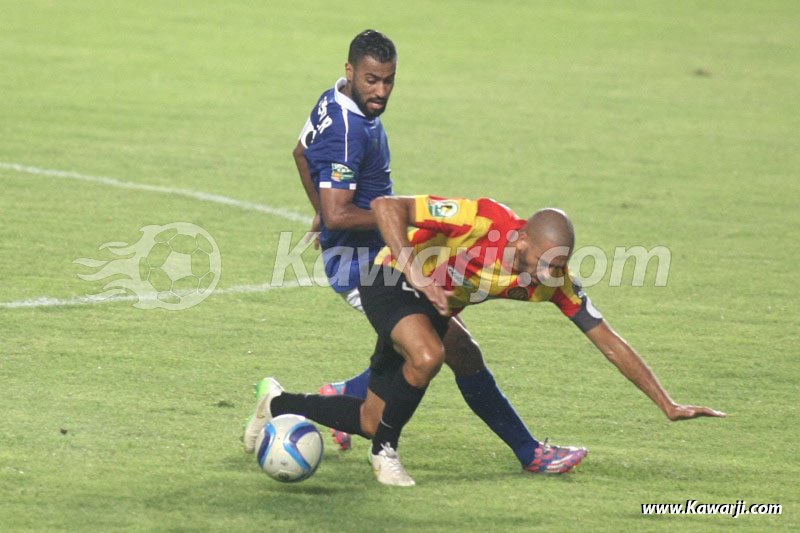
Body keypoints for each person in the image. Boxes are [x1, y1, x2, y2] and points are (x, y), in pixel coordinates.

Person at [246, 194, 726, 486]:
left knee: (382, 412)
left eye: (559, 265)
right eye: (545, 262)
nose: (551, 274)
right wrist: (418, 272)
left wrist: (666, 403)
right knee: (429, 354)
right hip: (391, 279)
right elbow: (386, 207)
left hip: (430, 305)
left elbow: (608, 341)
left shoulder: (553, 281)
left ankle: (279, 402)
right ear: (521, 241)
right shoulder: (483, 220)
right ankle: (387, 455)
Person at [261, 28, 547, 473]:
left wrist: (322, 210)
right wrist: (391, 218)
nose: (381, 91)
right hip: (365, 268)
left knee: (452, 351)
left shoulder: (334, 99)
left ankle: (321, 399)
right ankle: (377, 445)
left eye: (388, 80)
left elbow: (300, 153)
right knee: (433, 355)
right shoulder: (349, 132)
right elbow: (339, 214)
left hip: (387, 255)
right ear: (350, 71)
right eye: (372, 80)